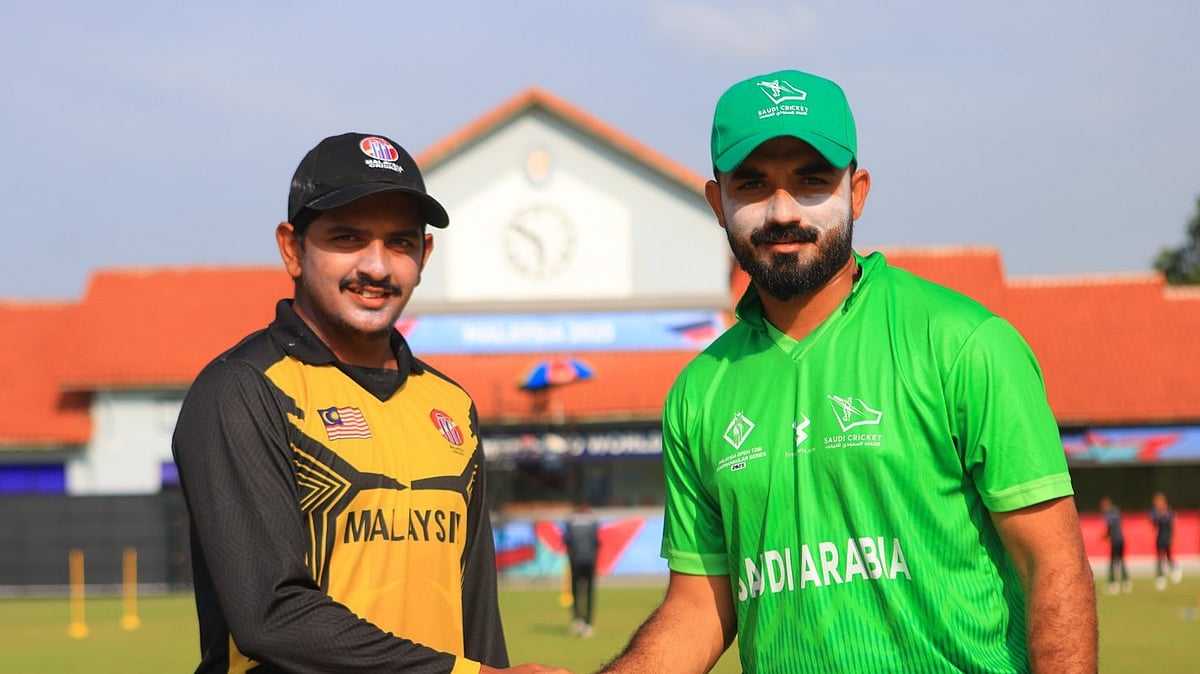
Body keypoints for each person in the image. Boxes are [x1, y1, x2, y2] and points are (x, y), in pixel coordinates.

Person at [600, 69, 1097, 673]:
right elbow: (700, 607)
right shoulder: (699, 393)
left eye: (811, 182)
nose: (782, 211)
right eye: (753, 185)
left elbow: (1054, 565)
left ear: (856, 192)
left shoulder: (962, 343)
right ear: (717, 202)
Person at [172, 132, 569, 674]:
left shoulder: (450, 405)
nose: (377, 268)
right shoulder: (242, 390)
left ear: (424, 255)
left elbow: (475, 614)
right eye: (348, 238)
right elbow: (271, 616)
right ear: (292, 248)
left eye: (401, 242)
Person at [563, 502, 601, 637]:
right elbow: (597, 543)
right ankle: (588, 623)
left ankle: (577, 620)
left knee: (576, 592)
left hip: (575, 561)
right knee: (589, 593)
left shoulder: (570, 522)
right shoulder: (592, 522)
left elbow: (566, 541)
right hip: (589, 561)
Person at [1150, 491, 1181, 590]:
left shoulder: (1169, 511)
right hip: (1159, 537)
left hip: (1167, 536)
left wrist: (1172, 538)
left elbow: (1173, 526)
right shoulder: (1155, 512)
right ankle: (1161, 577)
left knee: (1168, 556)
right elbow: (1154, 524)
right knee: (1160, 557)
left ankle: (1175, 568)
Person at [1100, 497, 1131, 594]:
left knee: (1113, 562)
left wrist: (1105, 536)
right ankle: (1126, 582)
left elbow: (1110, 528)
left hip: (1115, 540)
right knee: (1121, 561)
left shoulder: (1108, 514)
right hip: (1121, 539)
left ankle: (1113, 583)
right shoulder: (1116, 511)